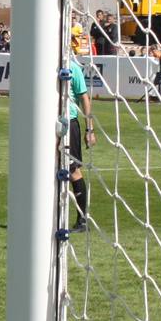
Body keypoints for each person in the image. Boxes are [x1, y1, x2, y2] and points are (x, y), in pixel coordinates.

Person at [65, 57, 98, 232]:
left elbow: (84, 98)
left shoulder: (72, 67)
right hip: (46, 124)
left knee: (73, 171)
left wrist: (89, 129)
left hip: (69, 123)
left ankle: (82, 220)